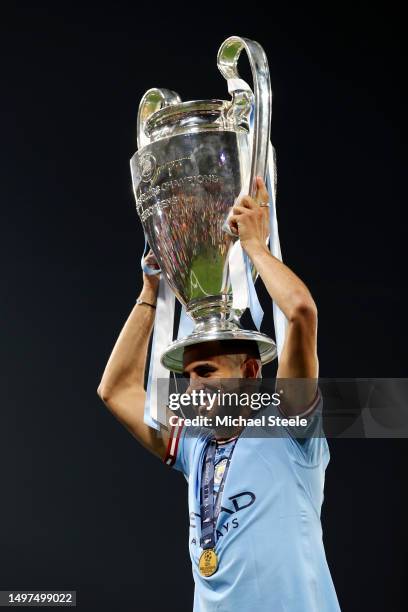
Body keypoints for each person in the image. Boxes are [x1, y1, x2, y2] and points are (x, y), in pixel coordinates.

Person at [97, 177, 341, 611]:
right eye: (188, 375)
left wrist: (255, 247)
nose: (193, 386)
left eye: (206, 370)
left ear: (250, 372)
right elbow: (114, 390)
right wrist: (149, 294)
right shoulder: (194, 444)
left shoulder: (289, 425)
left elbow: (302, 312)